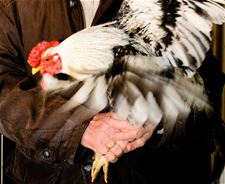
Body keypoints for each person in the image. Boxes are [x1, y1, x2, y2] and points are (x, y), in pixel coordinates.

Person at [0, 0, 224, 184]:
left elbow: (204, 81)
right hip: (47, 176)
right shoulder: (17, 5)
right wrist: (76, 131)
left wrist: (157, 120)